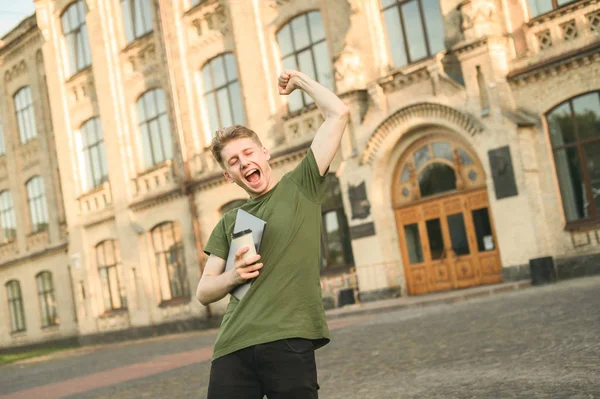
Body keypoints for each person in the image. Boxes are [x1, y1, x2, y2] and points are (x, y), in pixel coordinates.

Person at [196, 68, 349, 399]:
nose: (244, 162)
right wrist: (233, 276)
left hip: (288, 339)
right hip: (233, 347)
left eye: (248, 153)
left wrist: (301, 82)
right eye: (234, 161)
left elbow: (338, 114)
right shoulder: (229, 220)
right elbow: (205, 291)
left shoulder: (302, 185)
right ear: (228, 175)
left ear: (264, 153)